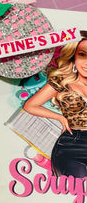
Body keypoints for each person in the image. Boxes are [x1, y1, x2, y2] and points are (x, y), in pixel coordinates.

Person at [23, 31, 87, 178]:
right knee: (78, 188)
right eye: (82, 55)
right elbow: (30, 105)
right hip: (73, 145)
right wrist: (60, 117)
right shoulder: (61, 81)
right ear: (73, 56)